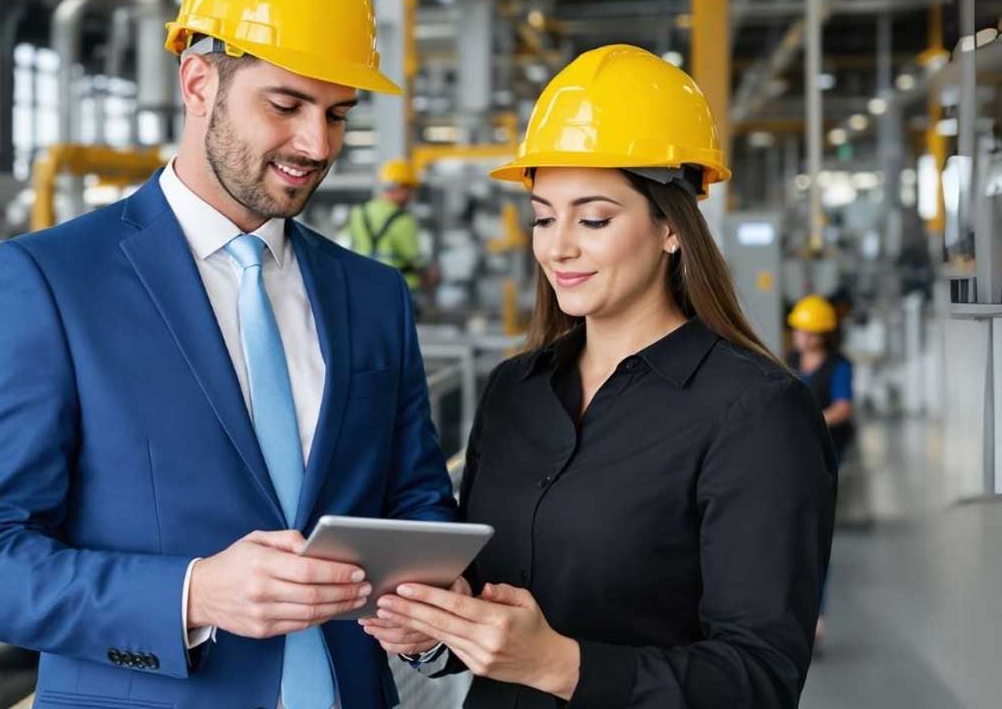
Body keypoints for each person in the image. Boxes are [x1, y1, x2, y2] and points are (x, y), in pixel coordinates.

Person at [0, 0, 455, 709]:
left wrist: (431, 617)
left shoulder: (371, 295)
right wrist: (194, 594)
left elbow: (417, 506)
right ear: (198, 82)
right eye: (287, 104)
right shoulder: (51, 281)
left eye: (339, 114)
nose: (315, 144)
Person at [361, 44, 837, 707]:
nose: (559, 247)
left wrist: (562, 664)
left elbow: (759, 678)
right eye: (543, 218)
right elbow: (488, 606)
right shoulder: (514, 391)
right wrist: (432, 633)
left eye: (593, 218)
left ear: (671, 226)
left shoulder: (756, 412)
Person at [786, 293, 856, 645]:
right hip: (793, 454)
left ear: (822, 335)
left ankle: (817, 617)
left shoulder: (838, 365)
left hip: (826, 452)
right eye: (798, 330)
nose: (801, 337)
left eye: (807, 332)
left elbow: (843, 408)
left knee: (813, 533)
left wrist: (811, 421)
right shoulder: (791, 360)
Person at [348, 158, 431, 300]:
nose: (410, 197)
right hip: (398, 289)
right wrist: (429, 273)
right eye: (409, 190)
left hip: (362, 285)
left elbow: (345, 246)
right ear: (399, 187)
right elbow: (415, 258)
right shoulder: (403, 219)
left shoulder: (358, 213)